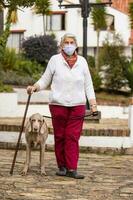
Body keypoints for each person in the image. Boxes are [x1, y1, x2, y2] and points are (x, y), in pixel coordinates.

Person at [27, 33, 98, 179]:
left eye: (72, 42)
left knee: (72, 136)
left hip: (78, 105)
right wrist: (35, 87)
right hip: (58, 105)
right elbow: (45, 79)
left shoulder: (83, 62)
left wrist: (93, 103)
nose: (69, 45)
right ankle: (62, 167)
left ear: (76, 44)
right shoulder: (55, 60)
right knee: (60, 136)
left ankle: (72, 168)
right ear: (61, 45)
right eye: (66, 42)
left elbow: (88, 84)